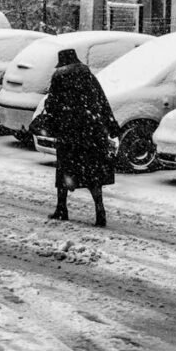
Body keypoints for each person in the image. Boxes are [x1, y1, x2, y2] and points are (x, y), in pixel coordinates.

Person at [38, 48, 120, 227]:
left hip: (70, 134)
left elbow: (52, 105)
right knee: (93, 173)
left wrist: (53, 122)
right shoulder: (89, 77)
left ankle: (62, 208)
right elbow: (102, 101)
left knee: (65, 170)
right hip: (92, 133)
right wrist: (111, 125)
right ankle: (100, 211)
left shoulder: (59, 78)